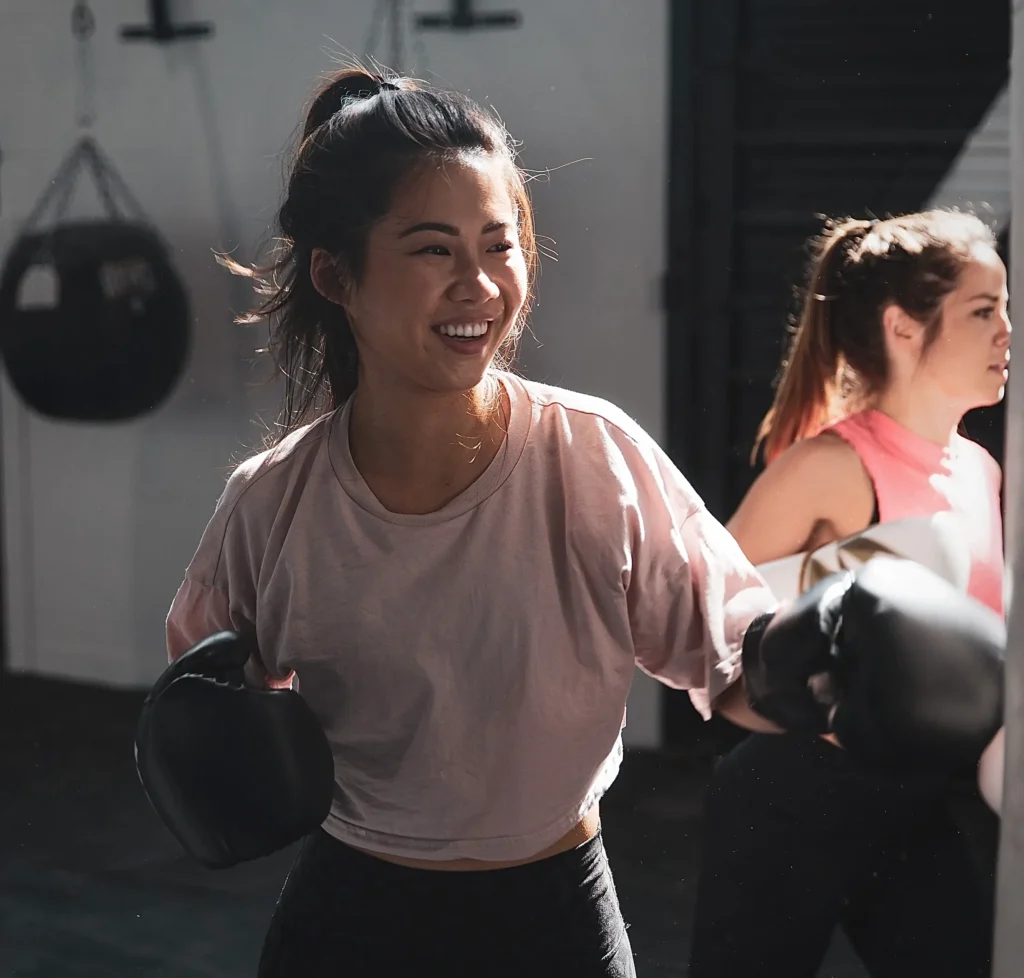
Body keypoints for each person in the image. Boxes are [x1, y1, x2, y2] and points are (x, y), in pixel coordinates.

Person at [134, 71, 1004, 978]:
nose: (479, 285)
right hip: (350, 917)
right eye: (434, 251)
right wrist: (230, 749)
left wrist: (817, 664)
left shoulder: (597, 460)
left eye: (499, 245)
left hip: (553, 915)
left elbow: (735, 665)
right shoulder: (273, 500)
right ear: (335, 273)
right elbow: (203, 687)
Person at [686, 210, 1012, 978]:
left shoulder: (979, 472)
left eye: (1006, 306)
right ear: (904, 326)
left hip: (912, 796)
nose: (1008, 328)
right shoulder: (830, 467)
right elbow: (705, 627)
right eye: (982, 309)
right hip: (791, 796)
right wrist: (793, 683)